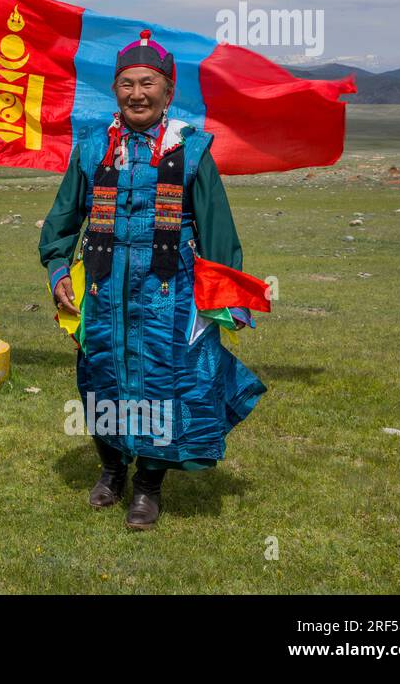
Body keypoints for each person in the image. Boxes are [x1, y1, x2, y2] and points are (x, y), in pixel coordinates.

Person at [39, 30, 266, 530]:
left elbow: (217, 231)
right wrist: (58, 271)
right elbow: (60, 224)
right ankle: (112, 469)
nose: (136, 93)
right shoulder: (93, 148)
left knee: (161, 384)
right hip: (101, 292)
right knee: (102, 379)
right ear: (115, 90)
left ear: (167, 91)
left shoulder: (190, 149)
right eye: (126, 84)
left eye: (147, 83)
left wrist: (225, 298)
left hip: (170, 292)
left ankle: (148, 486)